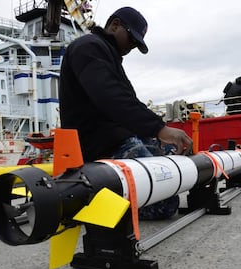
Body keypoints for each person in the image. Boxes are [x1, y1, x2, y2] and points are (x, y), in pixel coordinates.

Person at [59, 7, 193, 219]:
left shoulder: (106, 54)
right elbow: (111, 98)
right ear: (115, 25)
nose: (132, 47)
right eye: (132, 39)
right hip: (98, 147)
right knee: (165, 204)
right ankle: (93, 198)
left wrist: (154, 132)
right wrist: (159, 128)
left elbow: (125, 100)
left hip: (117, 138)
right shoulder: (88, 47)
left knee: (168, 175)